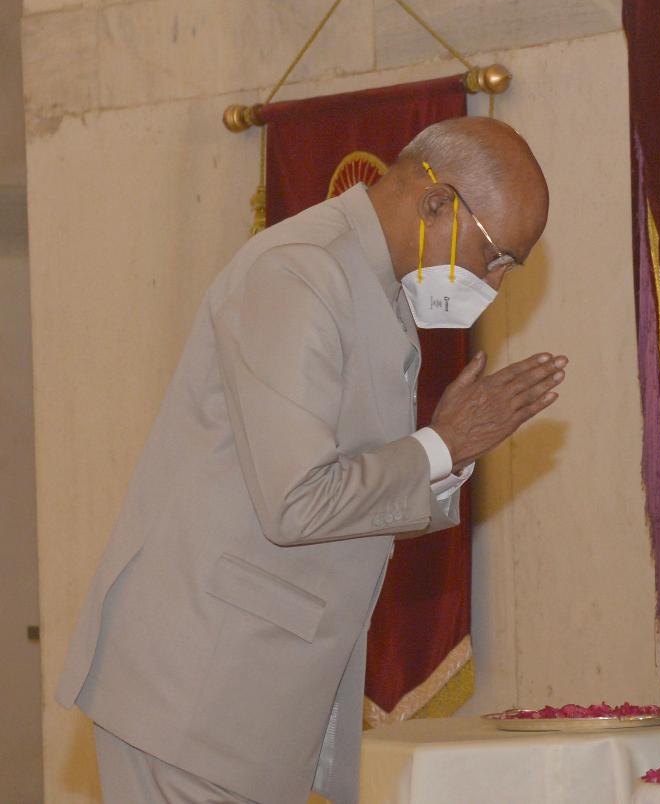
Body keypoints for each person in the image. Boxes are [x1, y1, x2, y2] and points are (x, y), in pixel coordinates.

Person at [56, 117, 565, 804]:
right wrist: (443, 445)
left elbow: (355, 489)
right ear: (437, 202)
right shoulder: (299, 271)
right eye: (495, 255)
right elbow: (297, 501)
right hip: (194, 692)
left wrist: (449, 453)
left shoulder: (374, 283)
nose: (495, 283)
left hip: (247, 693)